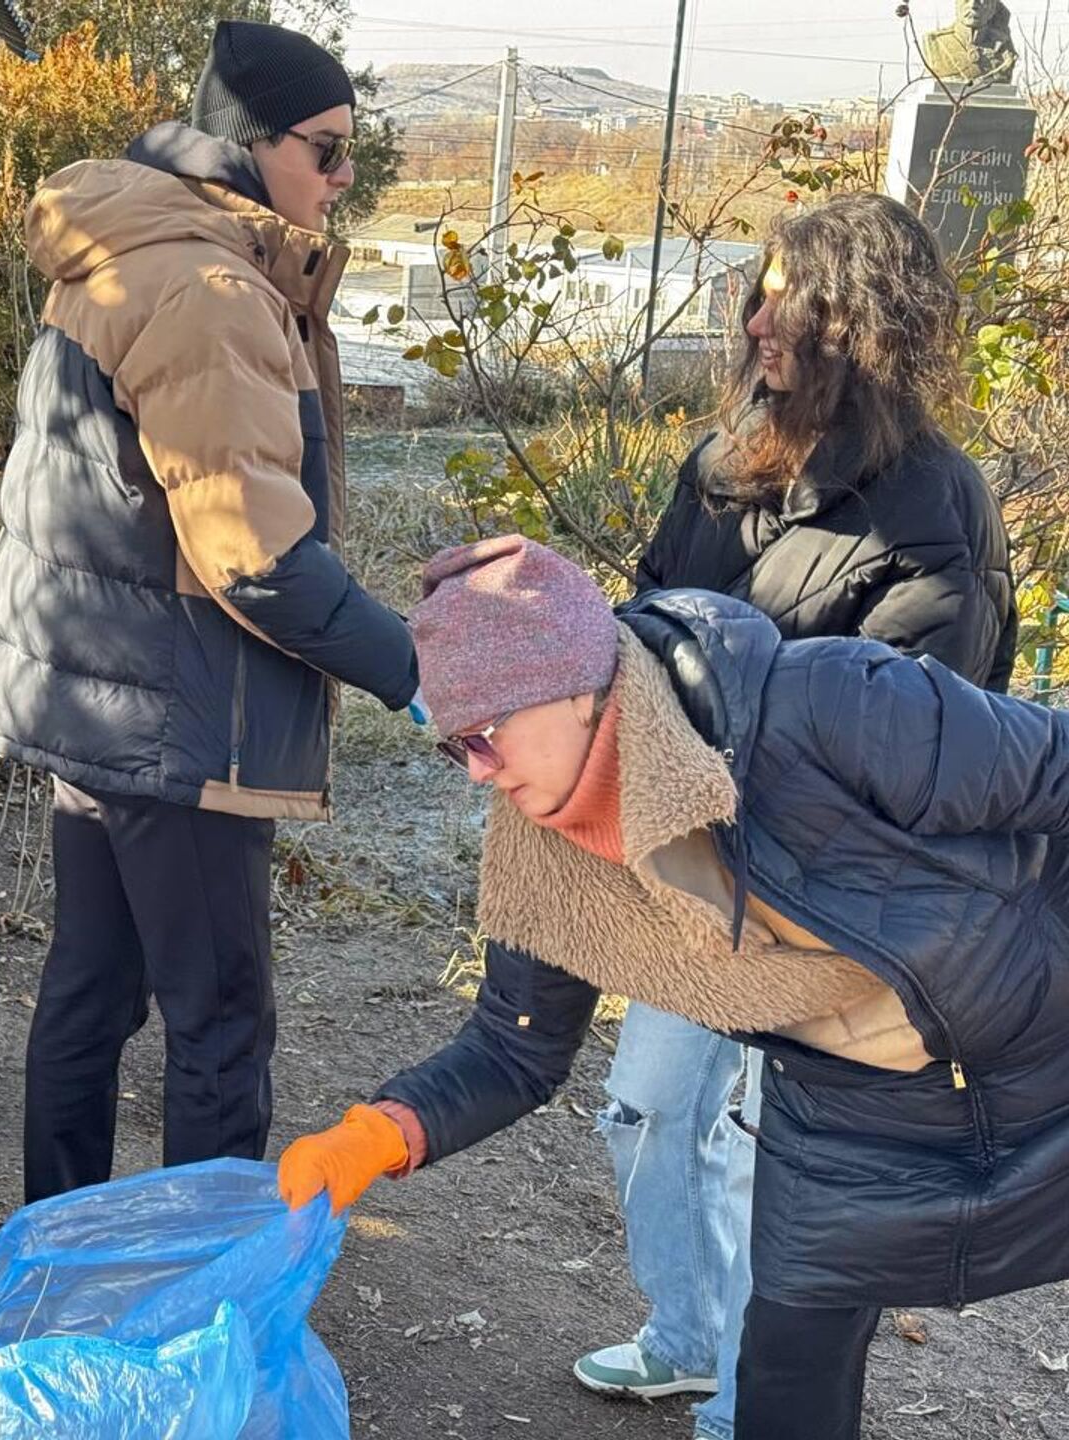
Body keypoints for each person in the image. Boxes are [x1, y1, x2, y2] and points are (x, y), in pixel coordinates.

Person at [277, 535, 1069, 1440]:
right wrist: (384, 1130)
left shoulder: (830, 703)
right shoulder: (547, 852)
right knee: (785, 1364)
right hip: (849, 1098)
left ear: (576, 684)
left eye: (488, 732)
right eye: (457, 747)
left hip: (1037, 1032)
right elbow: (516, 1045)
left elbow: (1056, 771)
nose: (481, 772)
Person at [576, 192, 1016, 1438]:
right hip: (695, 868)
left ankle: (749, 1412)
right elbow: (647, 618)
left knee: (795, 1168)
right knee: (652, 1108)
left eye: (790, 296)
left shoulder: (938, 505)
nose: (757, 317)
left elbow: (919, 742)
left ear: (861, 322)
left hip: (837, 908)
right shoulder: (723, 467)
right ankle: (686, 1337)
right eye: (753, 291)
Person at [0, 20, 423, 1204]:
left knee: (91, 996)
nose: (343, 179)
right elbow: (254, 555)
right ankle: (193, 1308)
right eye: (327, 151)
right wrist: (413, 669)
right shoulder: (208, 287)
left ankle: (58, 1266)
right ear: (247, 144)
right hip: (176, 721)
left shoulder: (133, 251)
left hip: (95, 698)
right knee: (216, 1021)